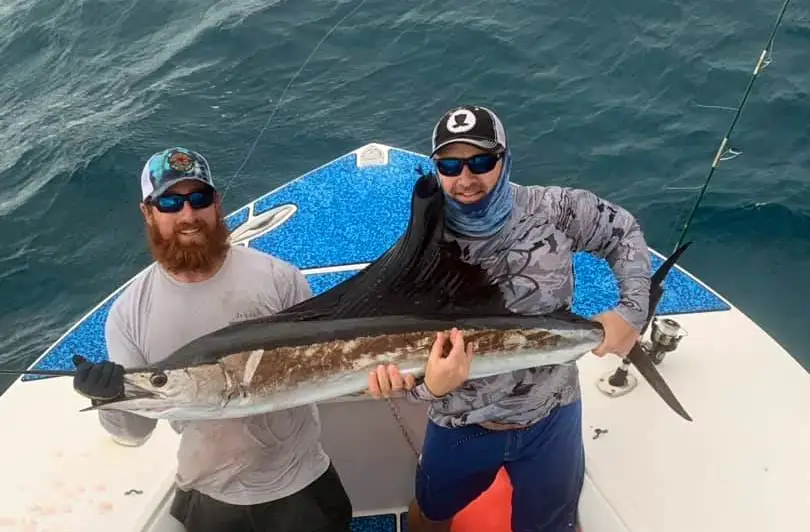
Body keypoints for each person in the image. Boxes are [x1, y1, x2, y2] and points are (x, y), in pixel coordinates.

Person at [367, 105, 652, 532]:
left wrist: (632, 310)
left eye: (481, 162)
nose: (465, 179)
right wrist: (425, 389)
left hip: (552, 413)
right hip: (462, 423)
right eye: (450, 166)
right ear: (437, 169)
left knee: (549, 525)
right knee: (430, 514)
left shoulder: (553, 209)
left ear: (505, 159)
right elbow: (410, 357)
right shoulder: (423, 246)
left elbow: (621, 231)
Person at [71, 147, 353, 532]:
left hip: (300, 481)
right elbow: (133, 433)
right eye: (170, 202)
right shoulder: (128, 315)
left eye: (199, 199)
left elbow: (333, 364)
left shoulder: (279, 279)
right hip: (212, 495)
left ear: (216, 204)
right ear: (148, 212)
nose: (188, 215)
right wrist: (110, 399)